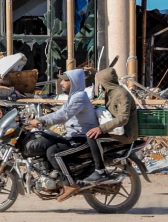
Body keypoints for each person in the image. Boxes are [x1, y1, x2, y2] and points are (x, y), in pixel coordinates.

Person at [27, 69, 104, 201]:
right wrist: (40, 119)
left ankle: (70, 184)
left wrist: (42, 121)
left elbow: (63, 116)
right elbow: (58, 112)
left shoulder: (79, 97)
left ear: (74, 82)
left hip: (83, 138)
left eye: (65, 80)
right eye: (61, 79)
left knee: (54, 153)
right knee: (48, 140)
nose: (61, 83)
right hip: (73, 135)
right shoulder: (73, 97)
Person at [87, 67, 139, 146]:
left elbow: (123, 118)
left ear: (105, 82)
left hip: (125, 135)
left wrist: (101, 129)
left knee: (90, 138)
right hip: (115, 130)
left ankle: (98, 159)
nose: (100, 84)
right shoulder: (110, 93)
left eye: (101, 82)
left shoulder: (122, 94)